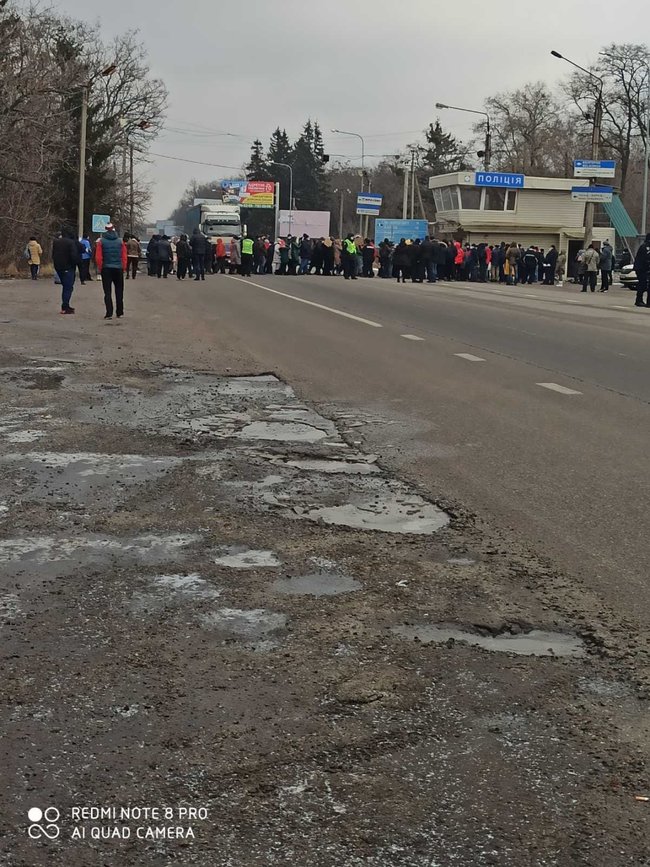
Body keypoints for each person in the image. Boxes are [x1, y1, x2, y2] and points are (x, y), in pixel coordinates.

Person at [95, 223, 127, 320]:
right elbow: (124, 256)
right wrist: (123, 267)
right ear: (114, 229)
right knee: (119, 291)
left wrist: (101, 268)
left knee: (107, 292)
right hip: (118, 268)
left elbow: (98, 257)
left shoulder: (101, 242)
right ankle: (120, 312)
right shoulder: (120, 242)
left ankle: (109, 313)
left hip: (106, 269)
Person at [52, 227, 80, 314]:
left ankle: (66, 305)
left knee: (65, 286)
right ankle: (65, 306)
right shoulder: (70, 243)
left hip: (58, 267)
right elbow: (74, 256)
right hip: (68, 268)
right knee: (68, 287)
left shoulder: (56, 242)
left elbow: (53, 255)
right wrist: (75, 264)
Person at [633, 232, 650, 307]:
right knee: (642, 284)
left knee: (643, 284)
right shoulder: (645, 247)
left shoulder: (645, 246)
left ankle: (640, 300)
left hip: (642, 268)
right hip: (642, 269)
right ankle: (639, 300)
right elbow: (646, 259)